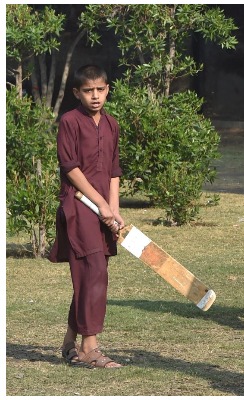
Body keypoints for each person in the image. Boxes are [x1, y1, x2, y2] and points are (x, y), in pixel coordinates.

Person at [48, 64, 124, 369]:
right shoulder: (69, 121)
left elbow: (114, 171)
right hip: (78, 206)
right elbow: (70, 168)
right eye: (88, 91)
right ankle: (90, 348)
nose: (95, 96)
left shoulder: (112, 124)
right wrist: (100, 204)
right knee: (94, 272)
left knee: (91, 274)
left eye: (100, 89)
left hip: (104, 211)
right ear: (77, 93)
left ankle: (70, 342)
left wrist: (114, 210)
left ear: (107, 89)